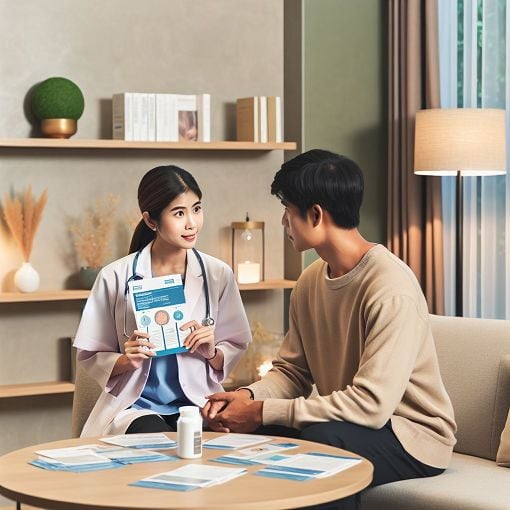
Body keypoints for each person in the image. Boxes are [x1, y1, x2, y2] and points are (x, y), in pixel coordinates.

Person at [204, 150, 457, 508]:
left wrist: (262, 411)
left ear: (316, 215)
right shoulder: (310, 282)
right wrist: (247, 398)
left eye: (287, 210)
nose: (283, 222)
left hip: (411, 436)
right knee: (240, 430)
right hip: (352, 422)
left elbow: (372, 405)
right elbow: (292, 373)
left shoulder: (390, 288)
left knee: (322, 443)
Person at [74, 165, 251, 437]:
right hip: (137, 407)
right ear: (151, 220)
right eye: (179, 213)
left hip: (197, 403)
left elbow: (235, 345)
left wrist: (211, 351)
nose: (191, 223)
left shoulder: (218, 274)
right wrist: (126, 360)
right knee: (155, 442)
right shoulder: (115, 276)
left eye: (197, 208)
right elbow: (90, 354)